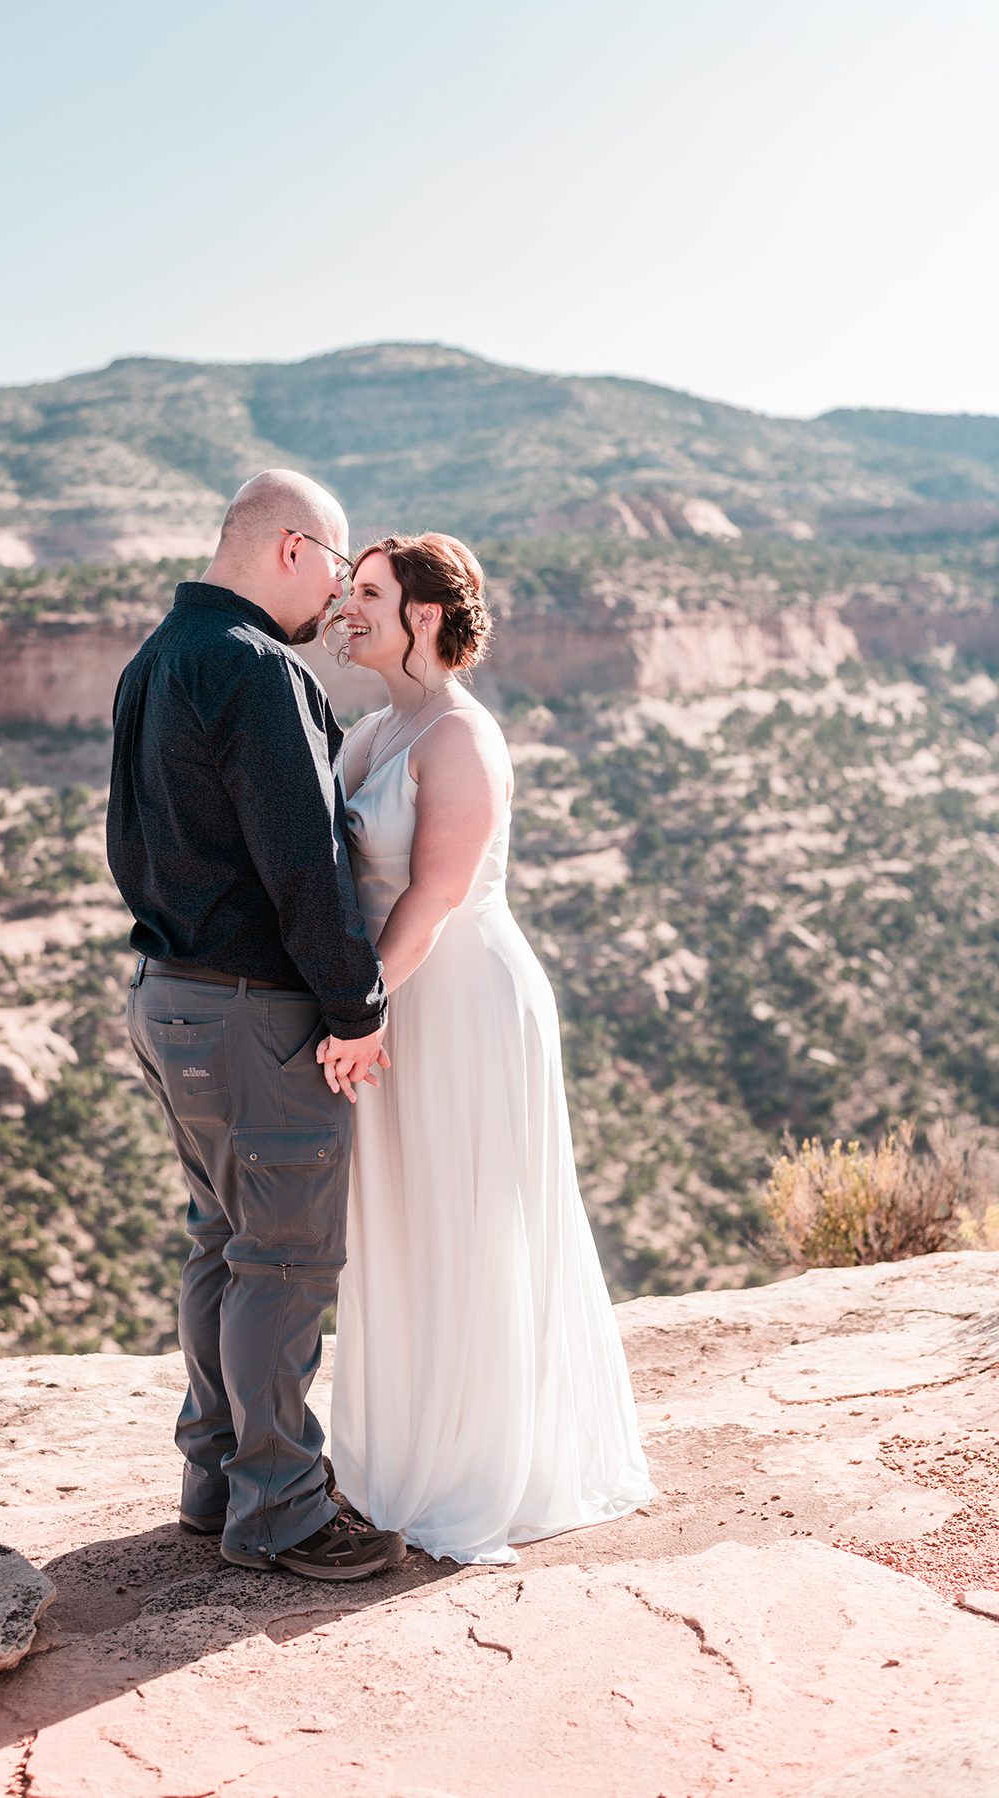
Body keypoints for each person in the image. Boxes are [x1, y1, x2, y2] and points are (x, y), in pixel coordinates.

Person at [326, 533, 657, 1564]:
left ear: (425, 613)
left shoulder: (461, 736)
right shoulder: (371, 731)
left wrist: (361, 1005)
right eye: (347, 592)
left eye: (369, 593)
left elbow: (438, 892)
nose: (348, 609)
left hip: (461, 998)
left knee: (468, 1214)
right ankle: (400, 1452)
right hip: (391, 996)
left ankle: (477, 1468)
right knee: (403, 1215)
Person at [106, 469, 405, 1583]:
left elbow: (126, 842)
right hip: (247, 1008)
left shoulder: (157, 659)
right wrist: (355, 1003)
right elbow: (305, 864)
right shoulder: (254, 666)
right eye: (334, 569)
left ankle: (215, 1476)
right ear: (291, 548)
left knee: (220, 1243)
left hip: (169, 993)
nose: (335, 598)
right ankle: (279, 1509)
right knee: (284, 1257)